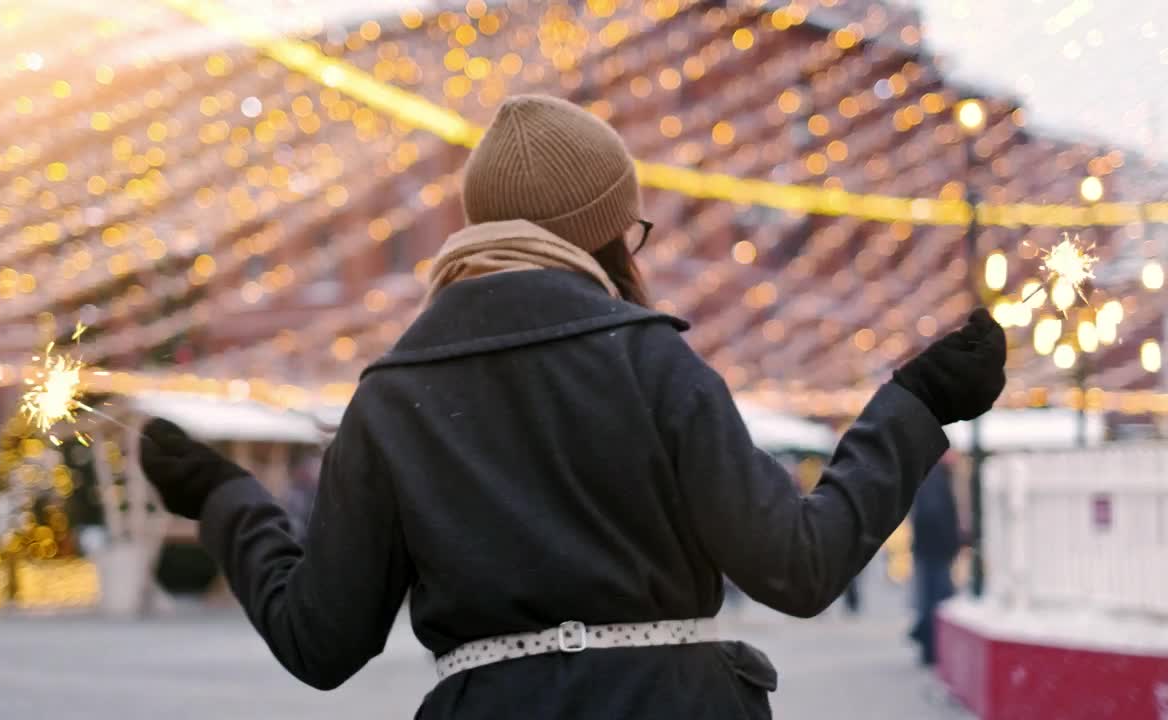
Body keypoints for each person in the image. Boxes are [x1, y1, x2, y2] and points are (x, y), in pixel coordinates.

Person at [138, 95, 1006, 719]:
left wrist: (222, 497)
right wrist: (917, 401)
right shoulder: (649, 360)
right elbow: (799, 565)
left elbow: (320, 642)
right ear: (604, 235)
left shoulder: (389, 398)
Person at [909, 451, 963, 666]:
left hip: (930, 549)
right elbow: (932, 515)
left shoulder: (932, 475)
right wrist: (951, 541)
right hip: (934, 550)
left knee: (931, 598)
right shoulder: (935, 477)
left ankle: (925, 640)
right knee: (937, 599)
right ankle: (929, 644)